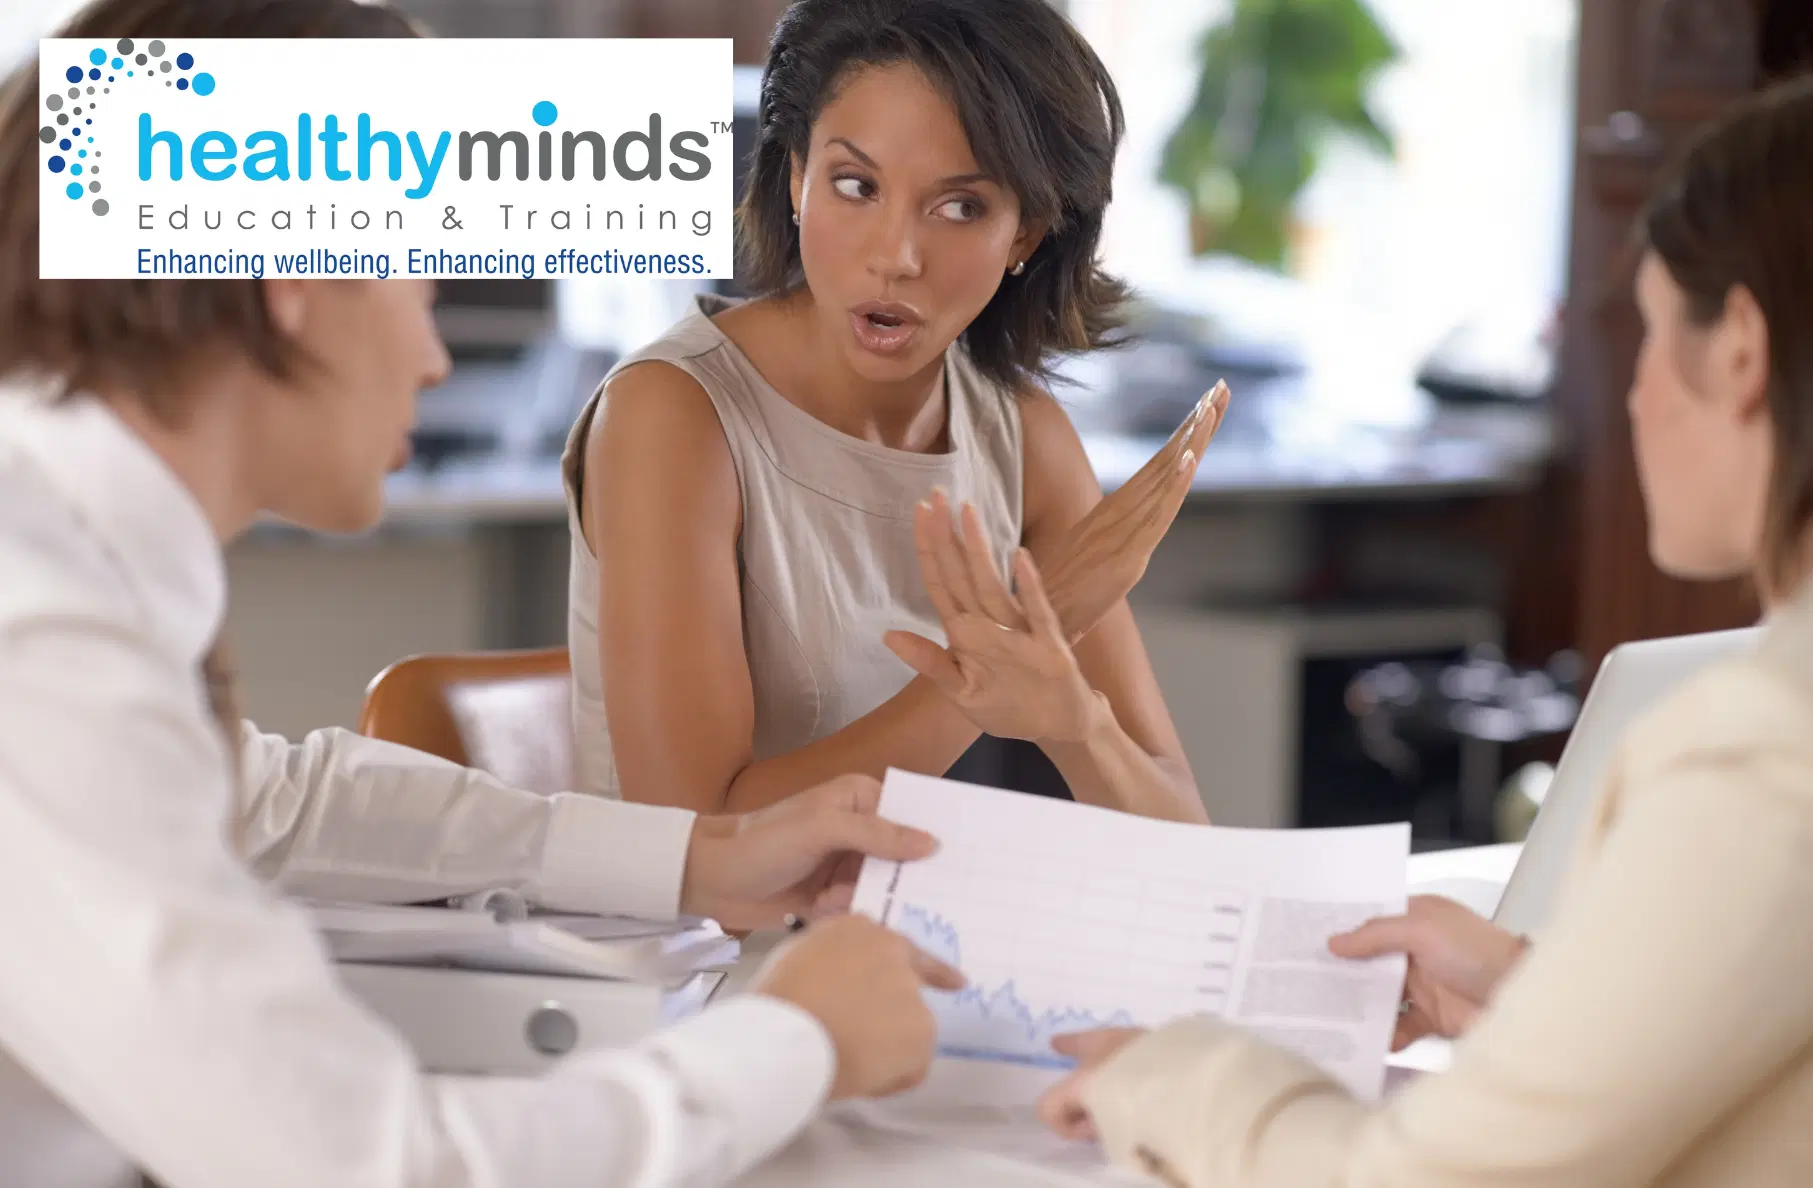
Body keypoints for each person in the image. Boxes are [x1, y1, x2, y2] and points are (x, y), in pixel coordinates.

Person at [0, 4, 965, 1186]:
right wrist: (794, 1040)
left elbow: (272, 802)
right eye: (420, 277)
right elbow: (380, 1169)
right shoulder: (37, 649)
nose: (435, 353)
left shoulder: (61, 566)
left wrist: (696, 858)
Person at [1033, 77, 1813, 1188]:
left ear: (1737, 351)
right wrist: (1541, 996)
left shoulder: (1763, 747)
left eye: (1645, 332)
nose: (1633, 394)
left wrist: (1176, 1074)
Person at [564, 0, 1227, 822]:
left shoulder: (1022, 438)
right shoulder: (672, 415)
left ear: (1026, 235)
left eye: (960, 208)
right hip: (706, 951)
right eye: (856, 186)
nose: (896, 257)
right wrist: (1000, 659)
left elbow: (1179, 831)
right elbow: (702, 843)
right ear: (796, 178)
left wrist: (1075, 720)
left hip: (918, 940)